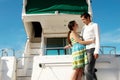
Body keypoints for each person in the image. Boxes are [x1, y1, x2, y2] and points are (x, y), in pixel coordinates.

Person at [80, 12, 100, 80]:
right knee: (91, 70)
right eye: (82, 20)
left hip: (92, 48)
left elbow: (97, 38)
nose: (82, 21)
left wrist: (96, 51)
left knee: (87, 69)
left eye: (83, 19)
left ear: (88, 18)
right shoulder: (83, 27)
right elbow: (80, 38)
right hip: (85, 49)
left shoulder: (95, 25)